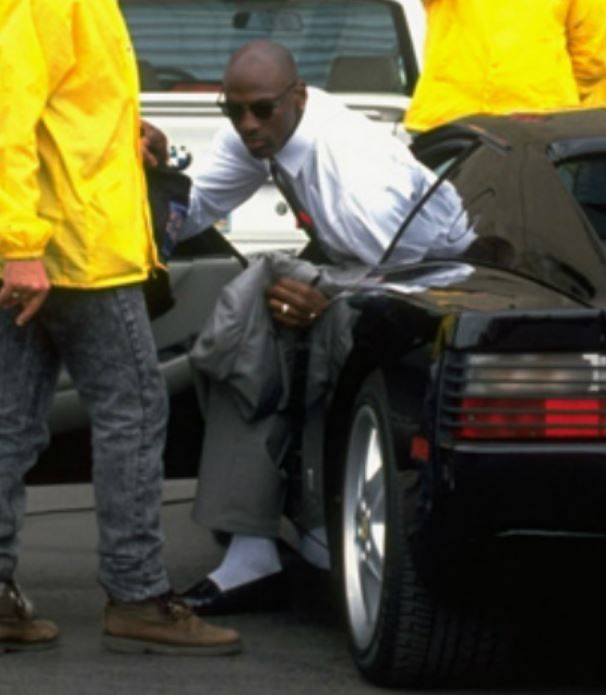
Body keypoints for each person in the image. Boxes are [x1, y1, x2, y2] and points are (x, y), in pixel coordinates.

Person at [157, 40, 474, 614]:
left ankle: (290, 536)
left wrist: (326, 303)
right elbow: (192, 212)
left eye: (261, 111)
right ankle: (263, 536)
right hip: (359, 269)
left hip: (422, 293)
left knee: (251, 317)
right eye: (234, 111)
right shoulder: (258, 130)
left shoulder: (353, 175)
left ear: (298, 97)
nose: (248, 125)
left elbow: (414, 282)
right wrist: (145, 177)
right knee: (247, 319)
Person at [0, 0, 240, 654]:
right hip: (77, 253)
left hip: (50, 245)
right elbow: (7, 108)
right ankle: (137, 594)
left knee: (12, 420)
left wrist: (127, 130)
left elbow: (61, 109)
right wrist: (18, 244)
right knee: (132, 408)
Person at [403, 0, 606, 132]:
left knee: (439, 201)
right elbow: (591, 58)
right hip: (538, 124)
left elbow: (591, 60)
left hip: (450, 120)